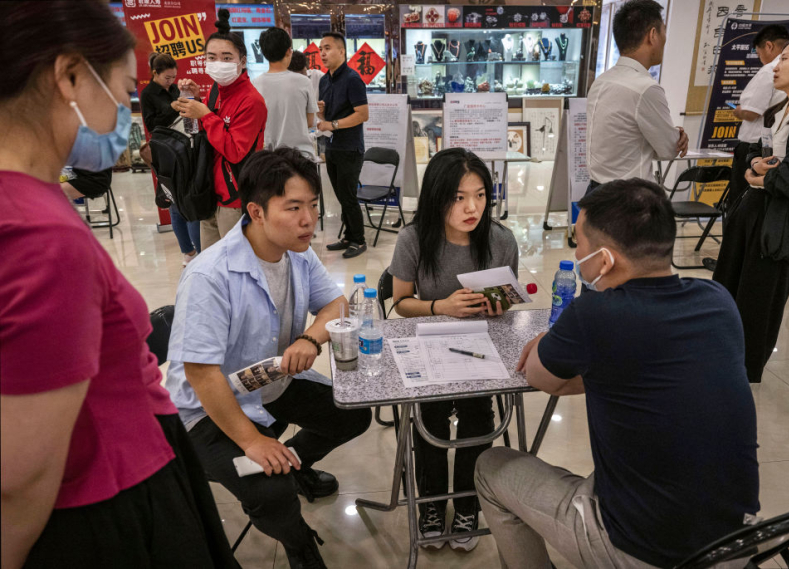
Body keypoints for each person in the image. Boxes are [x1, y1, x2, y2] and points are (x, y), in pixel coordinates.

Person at [0, 2, 237, 567]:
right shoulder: (38, 234)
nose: (126, 113)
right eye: (124, 92)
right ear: (70, 76)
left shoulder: (31, 202)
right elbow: (20, 473)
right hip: (105, 503)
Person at [475, 179, 759, 569]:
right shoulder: (718, 301)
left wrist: (549, 337)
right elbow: (654, 374)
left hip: (646, 552)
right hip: (734, 543)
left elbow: (541, 377)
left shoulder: (596, 315)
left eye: (579, 243)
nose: (576, 253)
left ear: (605, 260)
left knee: (492, 469)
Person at [164, 147, 372, 568]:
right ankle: (298, 543)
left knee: (352, 412)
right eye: (293, 207)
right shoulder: (209, 275)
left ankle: (294, 461)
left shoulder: (298, 251)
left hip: (269, 383)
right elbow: (203, 377)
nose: (308, 219)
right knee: (270, 491)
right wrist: (253, 441)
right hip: (208, 410)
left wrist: (311, 340)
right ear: (256, 212)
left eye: (313, 205)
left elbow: (335, 305)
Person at [389, 148, 519, 552]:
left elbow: (508, 298)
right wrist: (440, 307)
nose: (472, 207)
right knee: (429, 421)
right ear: (437, 197)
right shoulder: (413, 239)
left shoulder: (500, 239)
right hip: (429, 347)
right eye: (459, 197)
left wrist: (500, 303)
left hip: (481, 347)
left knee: (479, 419)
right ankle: (430, 505)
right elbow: (400, 303)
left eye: (480, 195)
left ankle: (467, 504)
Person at [713, 34, 789, 383]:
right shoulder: (782, 109)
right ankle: (721, 357)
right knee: (730, 287)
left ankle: (743, 370)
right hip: (753, 212)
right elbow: (762, 155)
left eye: (785, 58)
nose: (776, 65)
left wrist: (760, 180)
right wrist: (754, 168)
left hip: (777, 223)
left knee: (757, 299)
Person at [173, 8, 267, 250]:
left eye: (227, 58)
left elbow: (236, 150)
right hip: (210, 189)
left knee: (236, 263)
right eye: (211, 57)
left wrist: (204, 113)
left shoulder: (251, 100)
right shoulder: (216, 90)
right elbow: (204, 130)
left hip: (235, 196)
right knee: (211, 261)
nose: (218, 63)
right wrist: (194, 99)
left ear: (242, 61)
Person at [586, 0, 688, 188]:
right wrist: (676, 136)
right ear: (653, 35)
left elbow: (625, 139)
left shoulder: (602, 81)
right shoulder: (645, 88)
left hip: (596, 190)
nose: (666, 38)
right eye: (664, 30)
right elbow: (669, 149)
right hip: (629, 198)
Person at [141, 52, 201, 265]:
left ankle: (198, 251)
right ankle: (188, 252)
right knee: (175, 202)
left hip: (184, 145)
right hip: (164, 151)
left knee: (189, 198)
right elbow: (151, 126)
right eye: (167, 78)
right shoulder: (148, 94)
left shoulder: (175, 89)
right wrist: (171, 108)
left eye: (173, 77)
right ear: (155, 74)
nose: (171, 82)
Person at [318, 31, 370, 259]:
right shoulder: (323, 80)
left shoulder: (353, 79)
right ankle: (349, 236)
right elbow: (327, 115)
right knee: (340, 196)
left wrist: (333, 124)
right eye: (321, 49)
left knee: (348, 196)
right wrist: (322, 113)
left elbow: (362, 114)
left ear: (342, 51)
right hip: (332, 147)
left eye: (327, 48)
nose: (323, 53)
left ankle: (359, 240)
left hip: (350, 148)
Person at [728, 25, 789, 209]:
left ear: (769, 46)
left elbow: (752, 112)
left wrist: (739, 111)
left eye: (759, 52)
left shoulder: (770, 70)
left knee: (742, 200)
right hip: (775, 145)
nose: (760, 58)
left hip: (755, 145)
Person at [254, 28, 319, 157]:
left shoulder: (254, 84)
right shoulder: (303, 82)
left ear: (264, 53)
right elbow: (310, 121)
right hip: (300, 155)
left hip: (268, 156)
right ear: (289, 51)